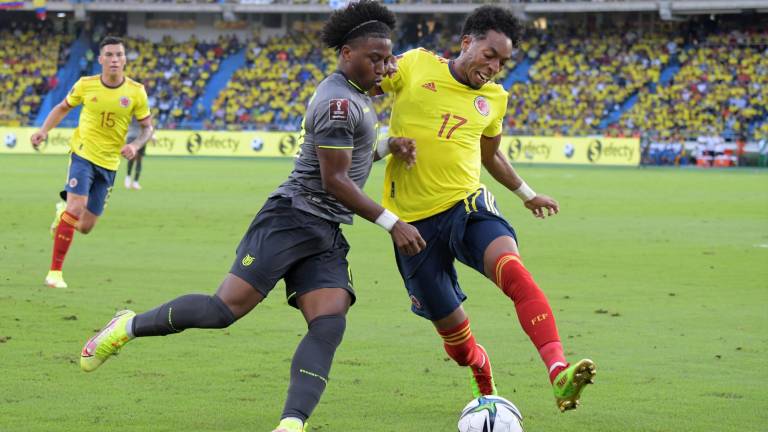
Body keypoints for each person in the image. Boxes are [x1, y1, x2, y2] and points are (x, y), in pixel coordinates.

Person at [77, 3, 424, 432]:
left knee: (329, 322)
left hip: (324, 229)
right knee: (222, 311)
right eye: (375, 58)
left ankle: (290, 425)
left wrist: (388, 147)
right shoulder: (338, 101)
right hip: (292, 218)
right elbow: (335, 180)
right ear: (346, 53)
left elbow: (347, 163)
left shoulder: (354, 96)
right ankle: (127, 326)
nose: (384, 67)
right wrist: (393, 223)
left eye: (388, 58)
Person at [375, 6, 596, 412]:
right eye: (489, 55)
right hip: (412, 227)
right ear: (467, 43)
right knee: (458, 345)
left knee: (512, 270)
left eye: (503, 62)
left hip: (467, 205)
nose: (494, 67)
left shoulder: (495, 99)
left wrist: (527, 193)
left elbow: (491, 156)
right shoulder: (418, 65)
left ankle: (558, 372)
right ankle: (482, 374)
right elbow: (366, 86)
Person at [31, 36, 154, 289]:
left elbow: (147, 128)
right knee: (76, 207)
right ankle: (55, 272)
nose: (114, 60)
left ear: (125, 59)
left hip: (109, 164)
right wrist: (44, 131)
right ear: (100, 59)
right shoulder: (85, 85)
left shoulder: (136, 91)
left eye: (119, 55)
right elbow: (62, 108)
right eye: (109, 55)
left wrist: (134, 145)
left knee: (85, 226)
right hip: (83, 154)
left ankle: (61, 213)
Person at [124, 118, 148, 189]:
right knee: (134, 158)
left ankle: (133, 181)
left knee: (137, 159)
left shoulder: (140, 111)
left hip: (139, 138)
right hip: (134, 137)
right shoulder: (136, 112)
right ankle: (130, 178)